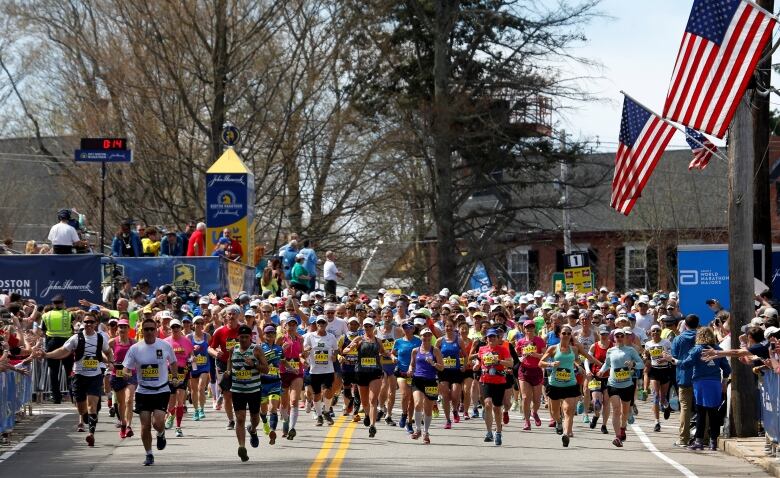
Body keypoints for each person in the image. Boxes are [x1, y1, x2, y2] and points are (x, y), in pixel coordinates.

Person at [36, 311, 113, 446]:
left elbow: (108, 351)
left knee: (92, 406)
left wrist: (111, 362)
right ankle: (84, 417)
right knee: (82, 409)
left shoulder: (100, 338)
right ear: (83, 323)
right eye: (86, 322)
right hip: (79, 376)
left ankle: (91, 434)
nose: (88, 324)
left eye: (91, 322)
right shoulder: (76, 338)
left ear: (96, 324)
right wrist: (47, 355)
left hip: (95, 376)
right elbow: (63, 351)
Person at [122, 317, 178, 466]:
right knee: (145, 425)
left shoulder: (164, 345)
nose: (149, 332)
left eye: (151, 329)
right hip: (143, 391)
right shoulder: (135, 348)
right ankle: (149, 454)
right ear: (142, 331)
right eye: (146, 329)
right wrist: (126, 373)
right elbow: (126, 367)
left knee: (157, 423)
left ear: (156, 330)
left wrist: (174, 376)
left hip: (161, 390)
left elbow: (173, 362)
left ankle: (161, 433)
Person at [667, 326, 731, 451]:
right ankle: (713, 442)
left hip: (700, 383)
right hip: (715, 383)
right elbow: (727, 369)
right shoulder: (718, 349)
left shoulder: (697, 350)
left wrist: (673, 360)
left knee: (701, 412)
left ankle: (699, 441)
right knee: (713, 412)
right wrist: (724, 381)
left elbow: (685, 364)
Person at [539, 323, 601, 447]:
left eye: (569, 333)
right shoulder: (553, 348)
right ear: (559, 335)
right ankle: (558, 422)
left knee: (568, 410)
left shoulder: (574, 348)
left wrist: (606, 366)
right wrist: (551, 365)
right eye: (564, 333)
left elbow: (588, 357)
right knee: (555, 412)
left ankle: (566, 435)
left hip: (570, 384)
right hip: (555, 384)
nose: (566, 335)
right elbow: (541, 363)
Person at [225, 325, 269, 462]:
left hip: (254, 390)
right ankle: (242, 447)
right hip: (238, 390)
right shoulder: (233, 349)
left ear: (251, 337)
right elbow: (229, 361)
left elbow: (266, 369)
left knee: (255, 419)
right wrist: (228, 372)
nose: (243, 339)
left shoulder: (256, 350)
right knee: (240, 418)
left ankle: (253, 430)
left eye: (246, 337)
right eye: (241, 337)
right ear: (238, 337)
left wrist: (254, 365)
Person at [599, 327, 645, 447]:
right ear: (613, 338)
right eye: (617, 336)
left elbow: (641, 364)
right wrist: (601, 371)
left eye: (621, 336)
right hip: (613, 384)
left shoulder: (630, 350)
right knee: (616, 410)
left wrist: (633, 364)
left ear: (625, 338)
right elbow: (607, 364)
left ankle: (623, 428)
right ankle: (617, 436)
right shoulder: (610, 351)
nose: (619, 338)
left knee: (625, 412)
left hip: (627, 385)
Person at [471, 328, 513, 445]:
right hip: (485, 380)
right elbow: (479, 361)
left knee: (497, 408)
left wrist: (499, 361)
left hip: (499, 381)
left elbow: (510, 363)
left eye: (494, 337)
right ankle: (489, 432)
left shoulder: (503, 349)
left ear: (497, 338)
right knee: (488, 404)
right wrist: (477, 365)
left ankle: (498, 432)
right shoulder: (482, 349)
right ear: (486, 339)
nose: (491, 339)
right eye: (489, 337)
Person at [344, 317, 384, 437]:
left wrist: (392, 356)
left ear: (373, 327)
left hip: (375, 372)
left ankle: (372, 425)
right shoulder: (359, 339)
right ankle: (367, 415)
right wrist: (351, 348)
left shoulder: (378, 341)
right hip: (361, 372)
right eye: (366, 326)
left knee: (373, 400)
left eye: (370, 326)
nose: (367, 328)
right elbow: (345, 350)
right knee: (365, 401)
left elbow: (383, 352)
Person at [408, 327, 444, 444]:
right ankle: (418, 429)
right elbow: (412, 365)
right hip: (418, 380)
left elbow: (442, 367)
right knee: (418, 403)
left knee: (428, 409)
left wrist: (433, 363)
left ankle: (426, 432)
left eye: (429, 335)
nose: (427, 338)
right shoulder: (415, 350)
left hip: (431, 381)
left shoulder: (435, 351)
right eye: (424, 335)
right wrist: (409, 370)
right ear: (421, 337)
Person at [209, 305, 242, 430]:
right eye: (229, 314)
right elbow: (210, 348)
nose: (231, 316)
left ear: (238, 316)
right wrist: (215, 353)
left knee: (237, 394)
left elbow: (251, 345)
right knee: (227, 394)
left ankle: (240, 417)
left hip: (239, 364)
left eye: (234, 314)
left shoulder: (243, 330)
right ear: (226, 316)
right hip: (223, 364)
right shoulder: (220, 331)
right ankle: (231, 420)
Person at [302, 317, 339, 428]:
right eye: (319, 322)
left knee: (328, 391)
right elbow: (304, 351)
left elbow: (336, 349)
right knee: (317, 394)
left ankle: (326, 411)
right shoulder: (310, 336)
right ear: (316, 324)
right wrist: (307, 351)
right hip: (314, 370)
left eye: (323, 322)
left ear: (326, 324)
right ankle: (319, 416)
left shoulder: (331, 337)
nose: (321, 324)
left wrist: (334, 355)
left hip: (328, 369)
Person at [38, 294, 74, 403]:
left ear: (53, 304)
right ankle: (73, 396)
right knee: (69, 370)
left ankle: (56, 398)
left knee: (53, 371)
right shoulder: (69, 314)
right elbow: (72, 328)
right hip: (66, 344)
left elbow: (43, 331)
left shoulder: (46, 315)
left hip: (51, 343)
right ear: (63, 303)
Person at [671, 314, 699, 447]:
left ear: (685, 325)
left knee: (685, 408)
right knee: (702, 407)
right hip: (701, 375)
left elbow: (674, 357)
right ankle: (702, 438)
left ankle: (683, 438)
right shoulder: (702, 337)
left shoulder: (678, 339)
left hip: (684, 376)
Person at [163, 319, 194, 438]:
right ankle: (170, 415)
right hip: (169, 371)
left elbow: (191, 355)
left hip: (183, 371)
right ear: (170, 329)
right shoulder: (165, 342)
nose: (175, 329)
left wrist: (192, 359)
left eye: (177, 327)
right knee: (171, 402)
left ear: (181, 328)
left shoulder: (186, 341)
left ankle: (178, 427)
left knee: (180, 399)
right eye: (173, 327)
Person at [436, 317, 466, 429]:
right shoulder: (440, 341)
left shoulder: (458, 340)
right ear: (444, 327)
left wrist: (464, 365)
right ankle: (448, 420)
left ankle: (454, 410)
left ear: (454, 327)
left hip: (456, 371)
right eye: (446, 326)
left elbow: (465, 355)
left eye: (450, 326)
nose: (448, 328)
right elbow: (434, 353)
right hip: (443, 371)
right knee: (444, 396)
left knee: (454, 395)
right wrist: (436, 364)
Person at [109, 318, 137, 439]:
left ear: (128, 329)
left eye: (125, 327)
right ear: (117, 329)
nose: (123, 329)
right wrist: (109, 361)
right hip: (117, 375)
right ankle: (123, 425)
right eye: (121, 327)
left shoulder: (133, 342)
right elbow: (102, 351)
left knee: (129, 400)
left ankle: (129, 426)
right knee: (121, 403)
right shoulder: (113, 342)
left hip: (130, 374)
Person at [516, 319, 545, 431]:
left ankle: (534, 412)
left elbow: (544, 355)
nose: (529, 329)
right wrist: (521, 357)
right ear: (524, 329)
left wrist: (535, 354)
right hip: (524, 370)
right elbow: (516, 354)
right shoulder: (520, 342)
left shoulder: (539, 341)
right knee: (525, 397)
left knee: (537, 400)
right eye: (527, 327)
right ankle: (527, 421)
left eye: (531, 327)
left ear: (534, 328)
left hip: (536, 370)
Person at [278, 316, 304, 439]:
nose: (292, 326)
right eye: (290, 324)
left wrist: (305, 357)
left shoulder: (300, 339)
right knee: (284, 403)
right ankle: (285, 422)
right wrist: (281, 349)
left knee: (294, 401)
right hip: (283, 373)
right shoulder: (280, 339)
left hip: (297, 373)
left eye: (294, 324)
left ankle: (292, 428)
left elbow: (302, 354)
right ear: (285, 326)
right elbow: (274, 354)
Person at [645, 324, 673, 432]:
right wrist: (645, 358)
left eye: (657, 330)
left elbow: (670, 356)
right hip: (654, 370)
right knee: (655, 396)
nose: (655, 332)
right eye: (653, 331)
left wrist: (665, 359)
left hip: (665, 369)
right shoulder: (648, 344)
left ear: (660, 332)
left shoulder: (666, 342)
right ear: (650, 333)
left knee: (662, 397)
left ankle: (666, 406)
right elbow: (646, 356)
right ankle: (657, 422)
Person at [377, 307, 402, 426]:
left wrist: (396, 353)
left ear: (392, 317)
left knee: (392, 391)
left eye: (389, 316)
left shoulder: (397, 331)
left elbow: (403, 344)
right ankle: (381, 408)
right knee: (383, 387)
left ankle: (389, 415)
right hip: (381, 364)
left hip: (393, 365)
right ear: (381, 317)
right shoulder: (376, 330)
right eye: (385, 316)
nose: (387, 318)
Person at [260, 325, 284, 443]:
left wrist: (291, 368)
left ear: (275, 335)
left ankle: (272, 430)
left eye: (272, 333)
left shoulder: (279, 348)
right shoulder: (259, 348)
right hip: (262, 383)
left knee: (273, 407)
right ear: (263, 335)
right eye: (267, 334)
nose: (270, 336)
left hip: (275, 382)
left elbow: (283, 361)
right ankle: (265, 423)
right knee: (264, 410)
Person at [586, 324, 612, 434]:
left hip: (609, 378)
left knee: (606, 402)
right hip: (596, 378)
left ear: (609, 334)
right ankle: (596, 416)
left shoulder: (613, 346)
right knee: (597, 402)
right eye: (602, 334)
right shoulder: (594, 346)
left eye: (606, 334)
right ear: (599, 334)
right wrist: (588, 370)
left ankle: (604, 425)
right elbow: (587, 359)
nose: (604, 336)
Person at [188, 316, 211, 421]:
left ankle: (202, 409)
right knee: (193, 389)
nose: (199, 325)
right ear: (193, 325)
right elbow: (185, 351)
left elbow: (212, 348)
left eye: (201, 323)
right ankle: (196, 410)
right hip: (193, 366)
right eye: (197, 323)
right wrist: (192, 351)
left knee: (201, 387)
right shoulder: (189, 337)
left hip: (205, 366)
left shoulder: (207, 336)